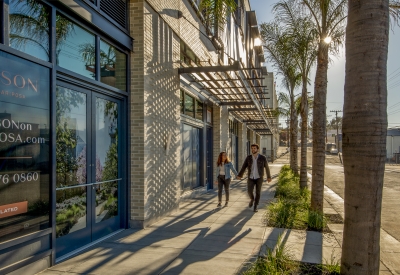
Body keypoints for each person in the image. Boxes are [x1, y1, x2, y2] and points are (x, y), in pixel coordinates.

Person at [237, 144, 271, 212]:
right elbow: (244, 166)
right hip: (251, 177)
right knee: (249, 191)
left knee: (258, 192)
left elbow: (267, 167)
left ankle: (255, 206)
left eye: (254, 148)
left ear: (257, 149)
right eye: (252, 148)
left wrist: (268, 177)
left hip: (259, 177)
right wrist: (240, 175)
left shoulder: (262, 157)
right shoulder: (248, 158)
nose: (253, 149)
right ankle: (252, 199)